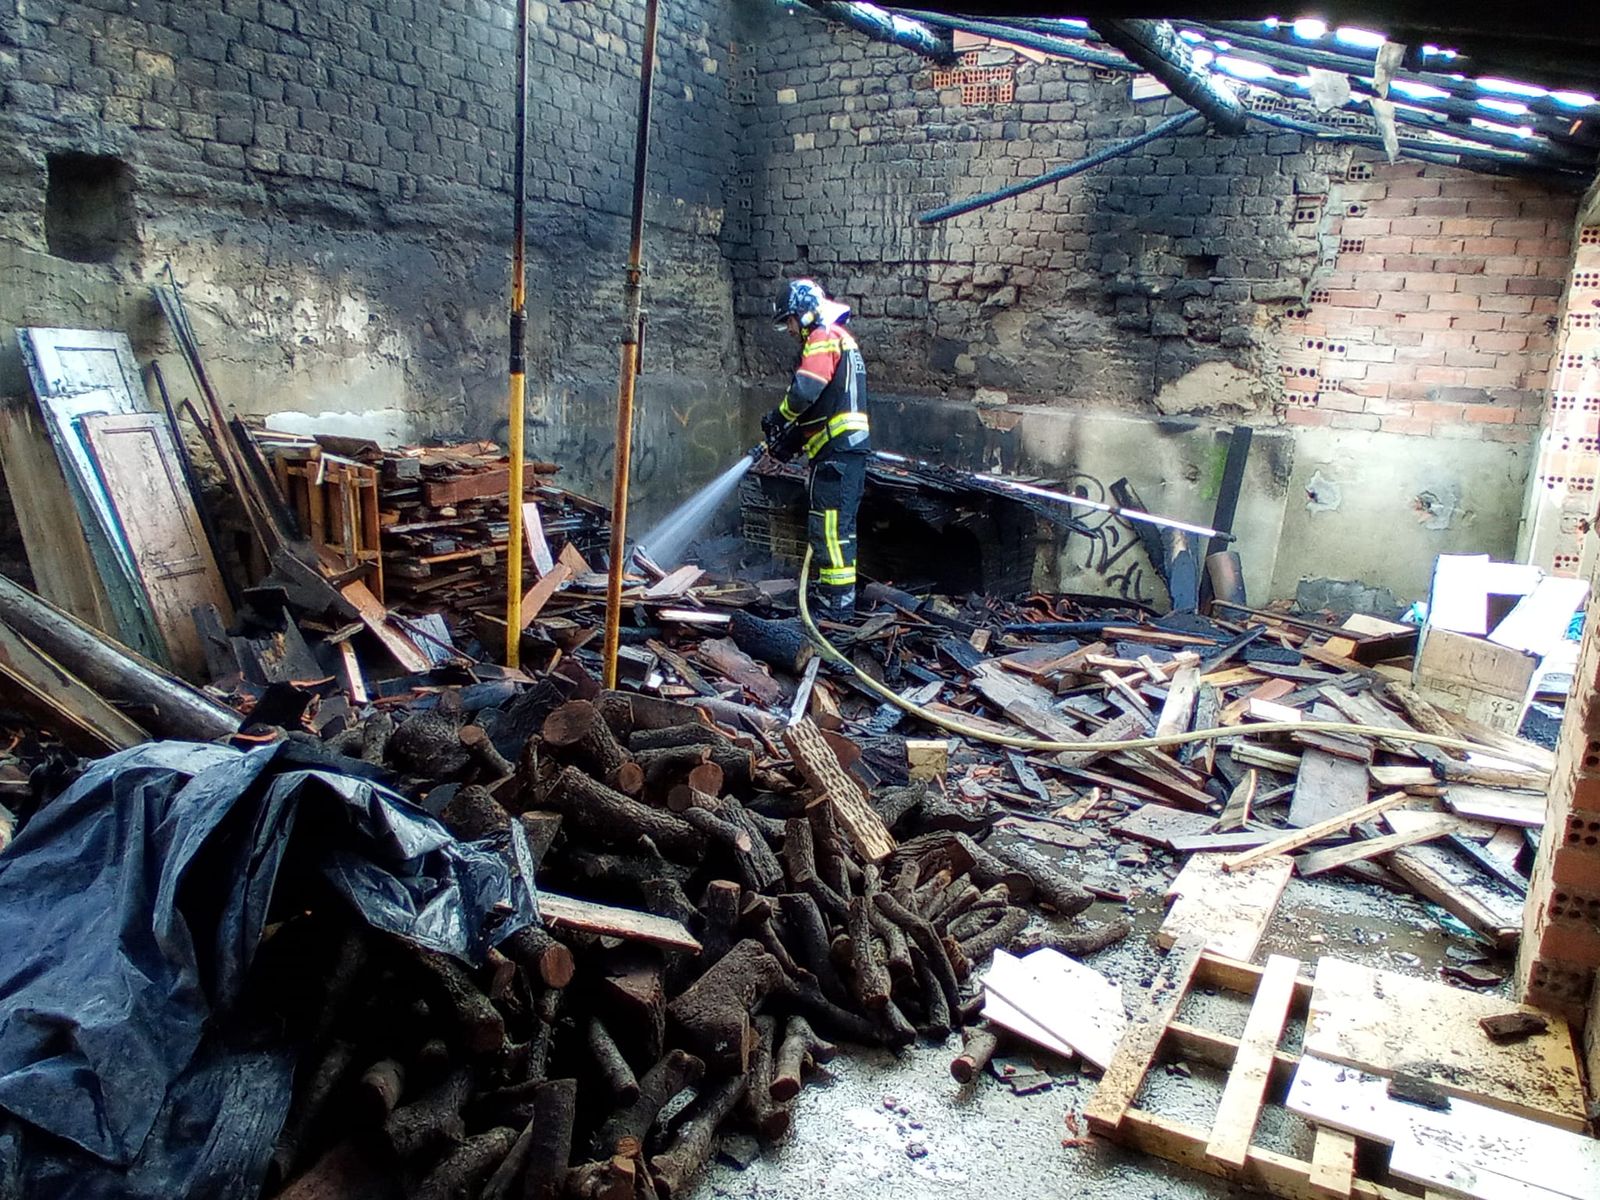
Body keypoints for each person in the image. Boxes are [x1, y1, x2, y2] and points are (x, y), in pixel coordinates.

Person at [761, 279, 870, 620]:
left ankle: (834, 608)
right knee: (836, 531)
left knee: (831, 533)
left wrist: (778, 417)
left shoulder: (823, 337)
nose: (790, 330)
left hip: (836, 456)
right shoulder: (840, 339)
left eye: (790, 320)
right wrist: (788, 442)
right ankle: (833, 601)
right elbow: (821, 406)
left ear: (804, 313)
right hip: (840, 454)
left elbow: (806, 391)